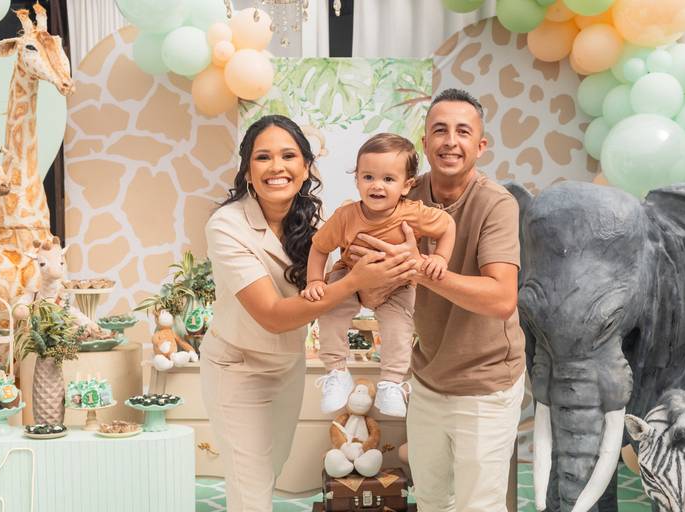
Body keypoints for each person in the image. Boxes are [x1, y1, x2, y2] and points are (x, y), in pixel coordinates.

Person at [200, 115, 416, 512]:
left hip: (287, 365)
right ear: (247, 171)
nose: (277, 167)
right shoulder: (226, 226)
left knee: (270, 470)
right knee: (250, 487)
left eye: (288, 156)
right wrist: (356, 281)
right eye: (263, 157)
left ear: (306, 168)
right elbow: (272, 314)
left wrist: (387, 272)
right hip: (237, 368)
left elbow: (342, 288)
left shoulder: (315, 222)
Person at [353, 89, 526, 511]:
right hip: (427, 378)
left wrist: (421, 269)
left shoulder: (496, 205)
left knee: (478, 505)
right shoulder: (401, 195)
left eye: (463, 132)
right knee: (431, 499)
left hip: (486, 383)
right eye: (440, 131)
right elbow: (370, 293)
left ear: (480, 146)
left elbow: (502, 299)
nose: (451, 141)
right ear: (425, 142)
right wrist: (368, 277)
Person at [301, 133, 455, 418]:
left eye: (388, 179)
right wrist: (315, 281)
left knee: (399, 327)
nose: (377, 185)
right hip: (350, 274)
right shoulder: (346, 216)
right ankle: (336, 372)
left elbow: (447, 226)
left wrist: (439, 257)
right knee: (330, 310)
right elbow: (320, 247)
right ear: (357, 180)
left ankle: (391, 383)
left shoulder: (413, 213)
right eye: (368, 177)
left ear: (407, 185)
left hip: (397, 283)